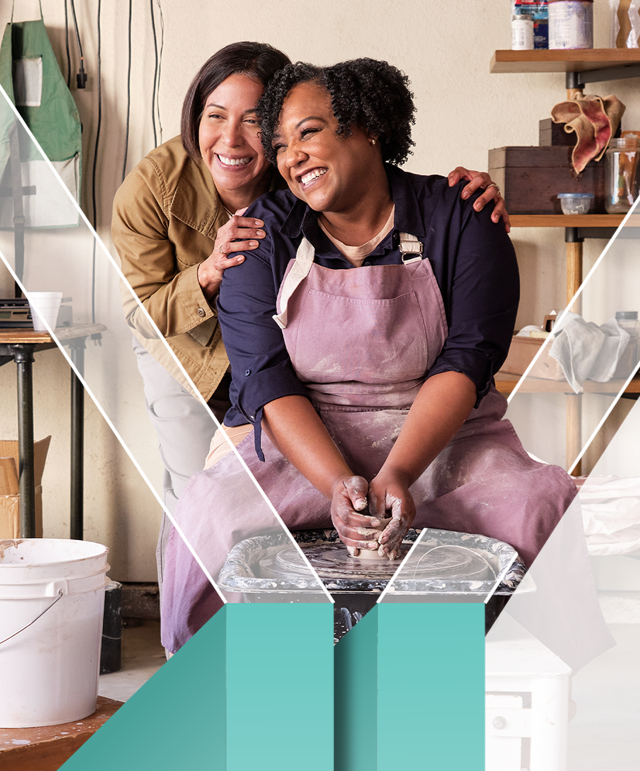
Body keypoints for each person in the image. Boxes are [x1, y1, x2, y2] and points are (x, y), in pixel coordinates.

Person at [158, 58, 575, 651]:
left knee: (540, 505)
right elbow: (267, 379)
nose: (292, 157)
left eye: (309, 133)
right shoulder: (261, 237)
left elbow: (469, 359)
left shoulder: (461, 215)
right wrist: (338, 487)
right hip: (303, 447)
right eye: (280, 145)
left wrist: (400, 473)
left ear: (370, 128)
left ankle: (528, 695)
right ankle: (217, 694)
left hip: (445, 440)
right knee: (208, 516)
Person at [112, 41, 509, 507]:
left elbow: (469, 349)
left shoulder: (307, 178)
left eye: (257, 122)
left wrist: (469, 205)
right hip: (182, 342)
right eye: (215, 115)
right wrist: (208, 272)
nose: (232, 139)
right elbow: (144, 312)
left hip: (294, 358)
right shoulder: (155, 186)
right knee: (194, 497)